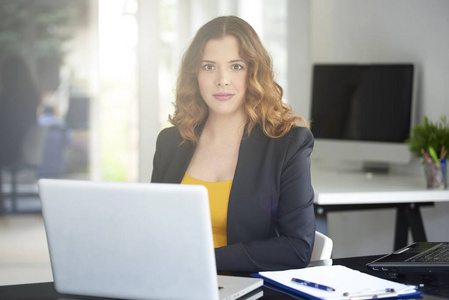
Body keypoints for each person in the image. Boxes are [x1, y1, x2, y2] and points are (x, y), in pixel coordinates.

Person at [151, 16, 315, 272]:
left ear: (254, 73)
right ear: (195, 74)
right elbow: (154, 227)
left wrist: (201, 261)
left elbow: (297, 247)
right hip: (171, 279)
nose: (222, 79)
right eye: (209, 66)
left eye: (236, 66)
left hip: (243, 286)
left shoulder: (287, 144)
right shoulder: (171, 141)